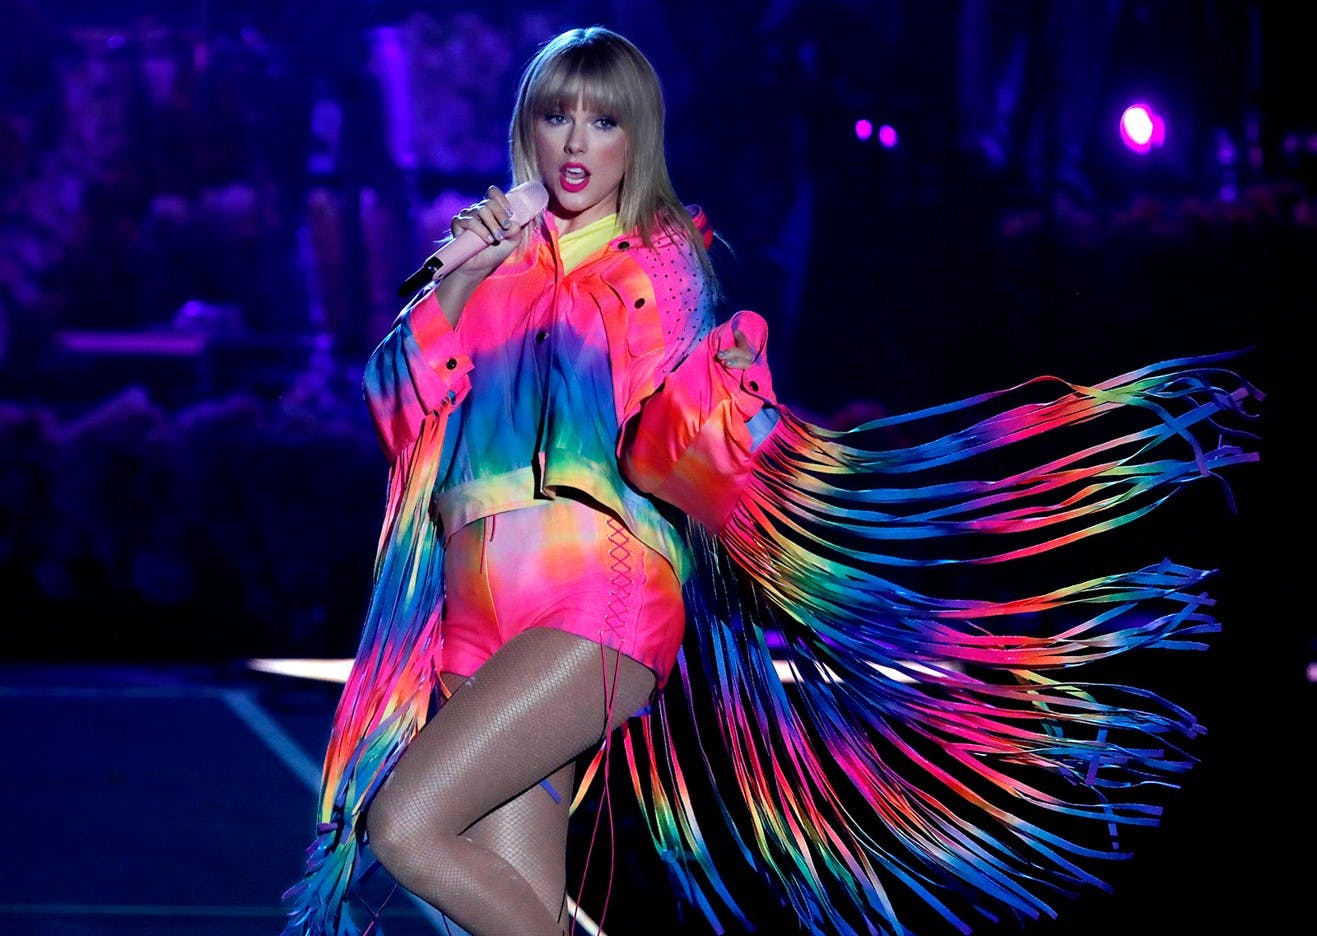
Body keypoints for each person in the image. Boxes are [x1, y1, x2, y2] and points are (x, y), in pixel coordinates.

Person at [283, 26, 1260, 936]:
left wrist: (547, 270)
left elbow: (652, 368)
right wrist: (458, 278)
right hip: (475, 622)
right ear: (525, 128)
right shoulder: (486, 269)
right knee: (520, 911)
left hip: (592, 610)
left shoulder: (653, 259)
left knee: (406, 828)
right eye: (556, 114)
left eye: (605, 118)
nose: (577, 140)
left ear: (639, 138)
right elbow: (399, 407)